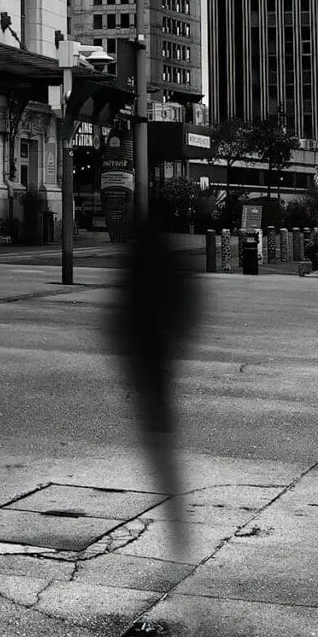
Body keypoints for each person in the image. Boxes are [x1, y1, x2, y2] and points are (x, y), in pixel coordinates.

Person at [110, 200, 204, 561]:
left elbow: (122, 314)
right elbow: (187, 307)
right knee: (160, 445)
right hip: (155, 356)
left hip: (147, 357)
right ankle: (178, 525)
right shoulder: (170, 260)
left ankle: (178, 527)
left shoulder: (143, 257)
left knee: (159, 447)